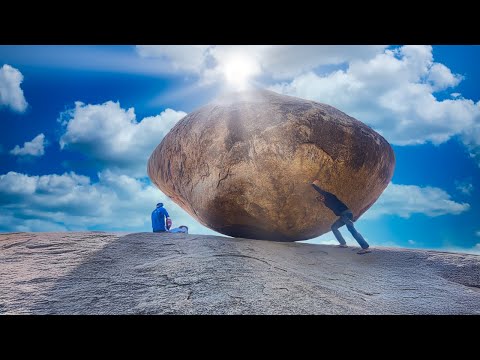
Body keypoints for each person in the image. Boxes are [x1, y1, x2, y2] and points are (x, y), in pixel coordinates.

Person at [311, 180, 371, 254]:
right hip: (343, 216)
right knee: (334, 227)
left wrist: (313, 184)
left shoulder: (329, 196)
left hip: (346, 214)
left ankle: (365, 247)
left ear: (323, 195)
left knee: (351, 229)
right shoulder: (326, 203)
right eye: (319, 199)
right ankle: (343, 244)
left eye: (320, 197)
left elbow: (320, 191)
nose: (321, 199)